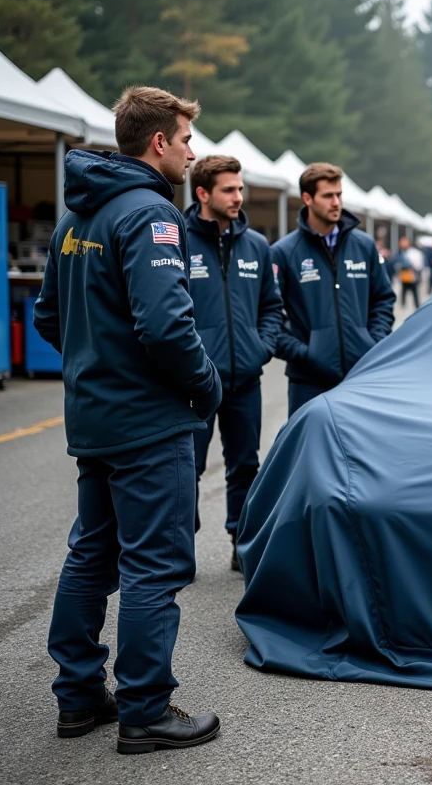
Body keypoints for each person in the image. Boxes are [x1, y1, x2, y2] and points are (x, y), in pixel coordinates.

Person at [34, 85, 222, 753]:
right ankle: (145, 708)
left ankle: (80, 697)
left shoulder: (77, 215)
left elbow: (49, 318)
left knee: (92, 553)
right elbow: (168, 328)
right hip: (148, 424)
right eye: (187, 139)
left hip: (96, 419)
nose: (192, 151)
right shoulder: (149, 215)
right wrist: (206, 386)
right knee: (153, 566)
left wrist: (100, 366)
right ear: (160, 142)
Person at [183, 155, 282, 571]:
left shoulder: (257, 245)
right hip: (195, 385)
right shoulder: (178, 240)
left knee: (245, 465)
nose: (238, 196)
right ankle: (178, 549)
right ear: (203, 193)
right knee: (186, 469)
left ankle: (241, 543)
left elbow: (272, 307)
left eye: (240, 188)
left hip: (246, 380)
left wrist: (261, 348)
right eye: (229, 189)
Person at [272, 163, 396, 416]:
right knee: (309, 452)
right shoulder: (284, 252)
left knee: (361, 449)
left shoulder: (364, 246)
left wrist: (372, 343)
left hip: (360, 375)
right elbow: (268, 313)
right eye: (328, 196)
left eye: (339, 195)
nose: (336, 202)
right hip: (307, 381)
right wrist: (304, 353)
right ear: (307, 198)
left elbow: (383, 299)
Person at [395, 235, 423, 310]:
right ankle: (403, 308)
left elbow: (419, 265)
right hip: (404, 277)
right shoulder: (399, 253)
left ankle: (417, 308)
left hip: (413, 277)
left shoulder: (414, 253)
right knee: (403, 294)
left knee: (415, 295)